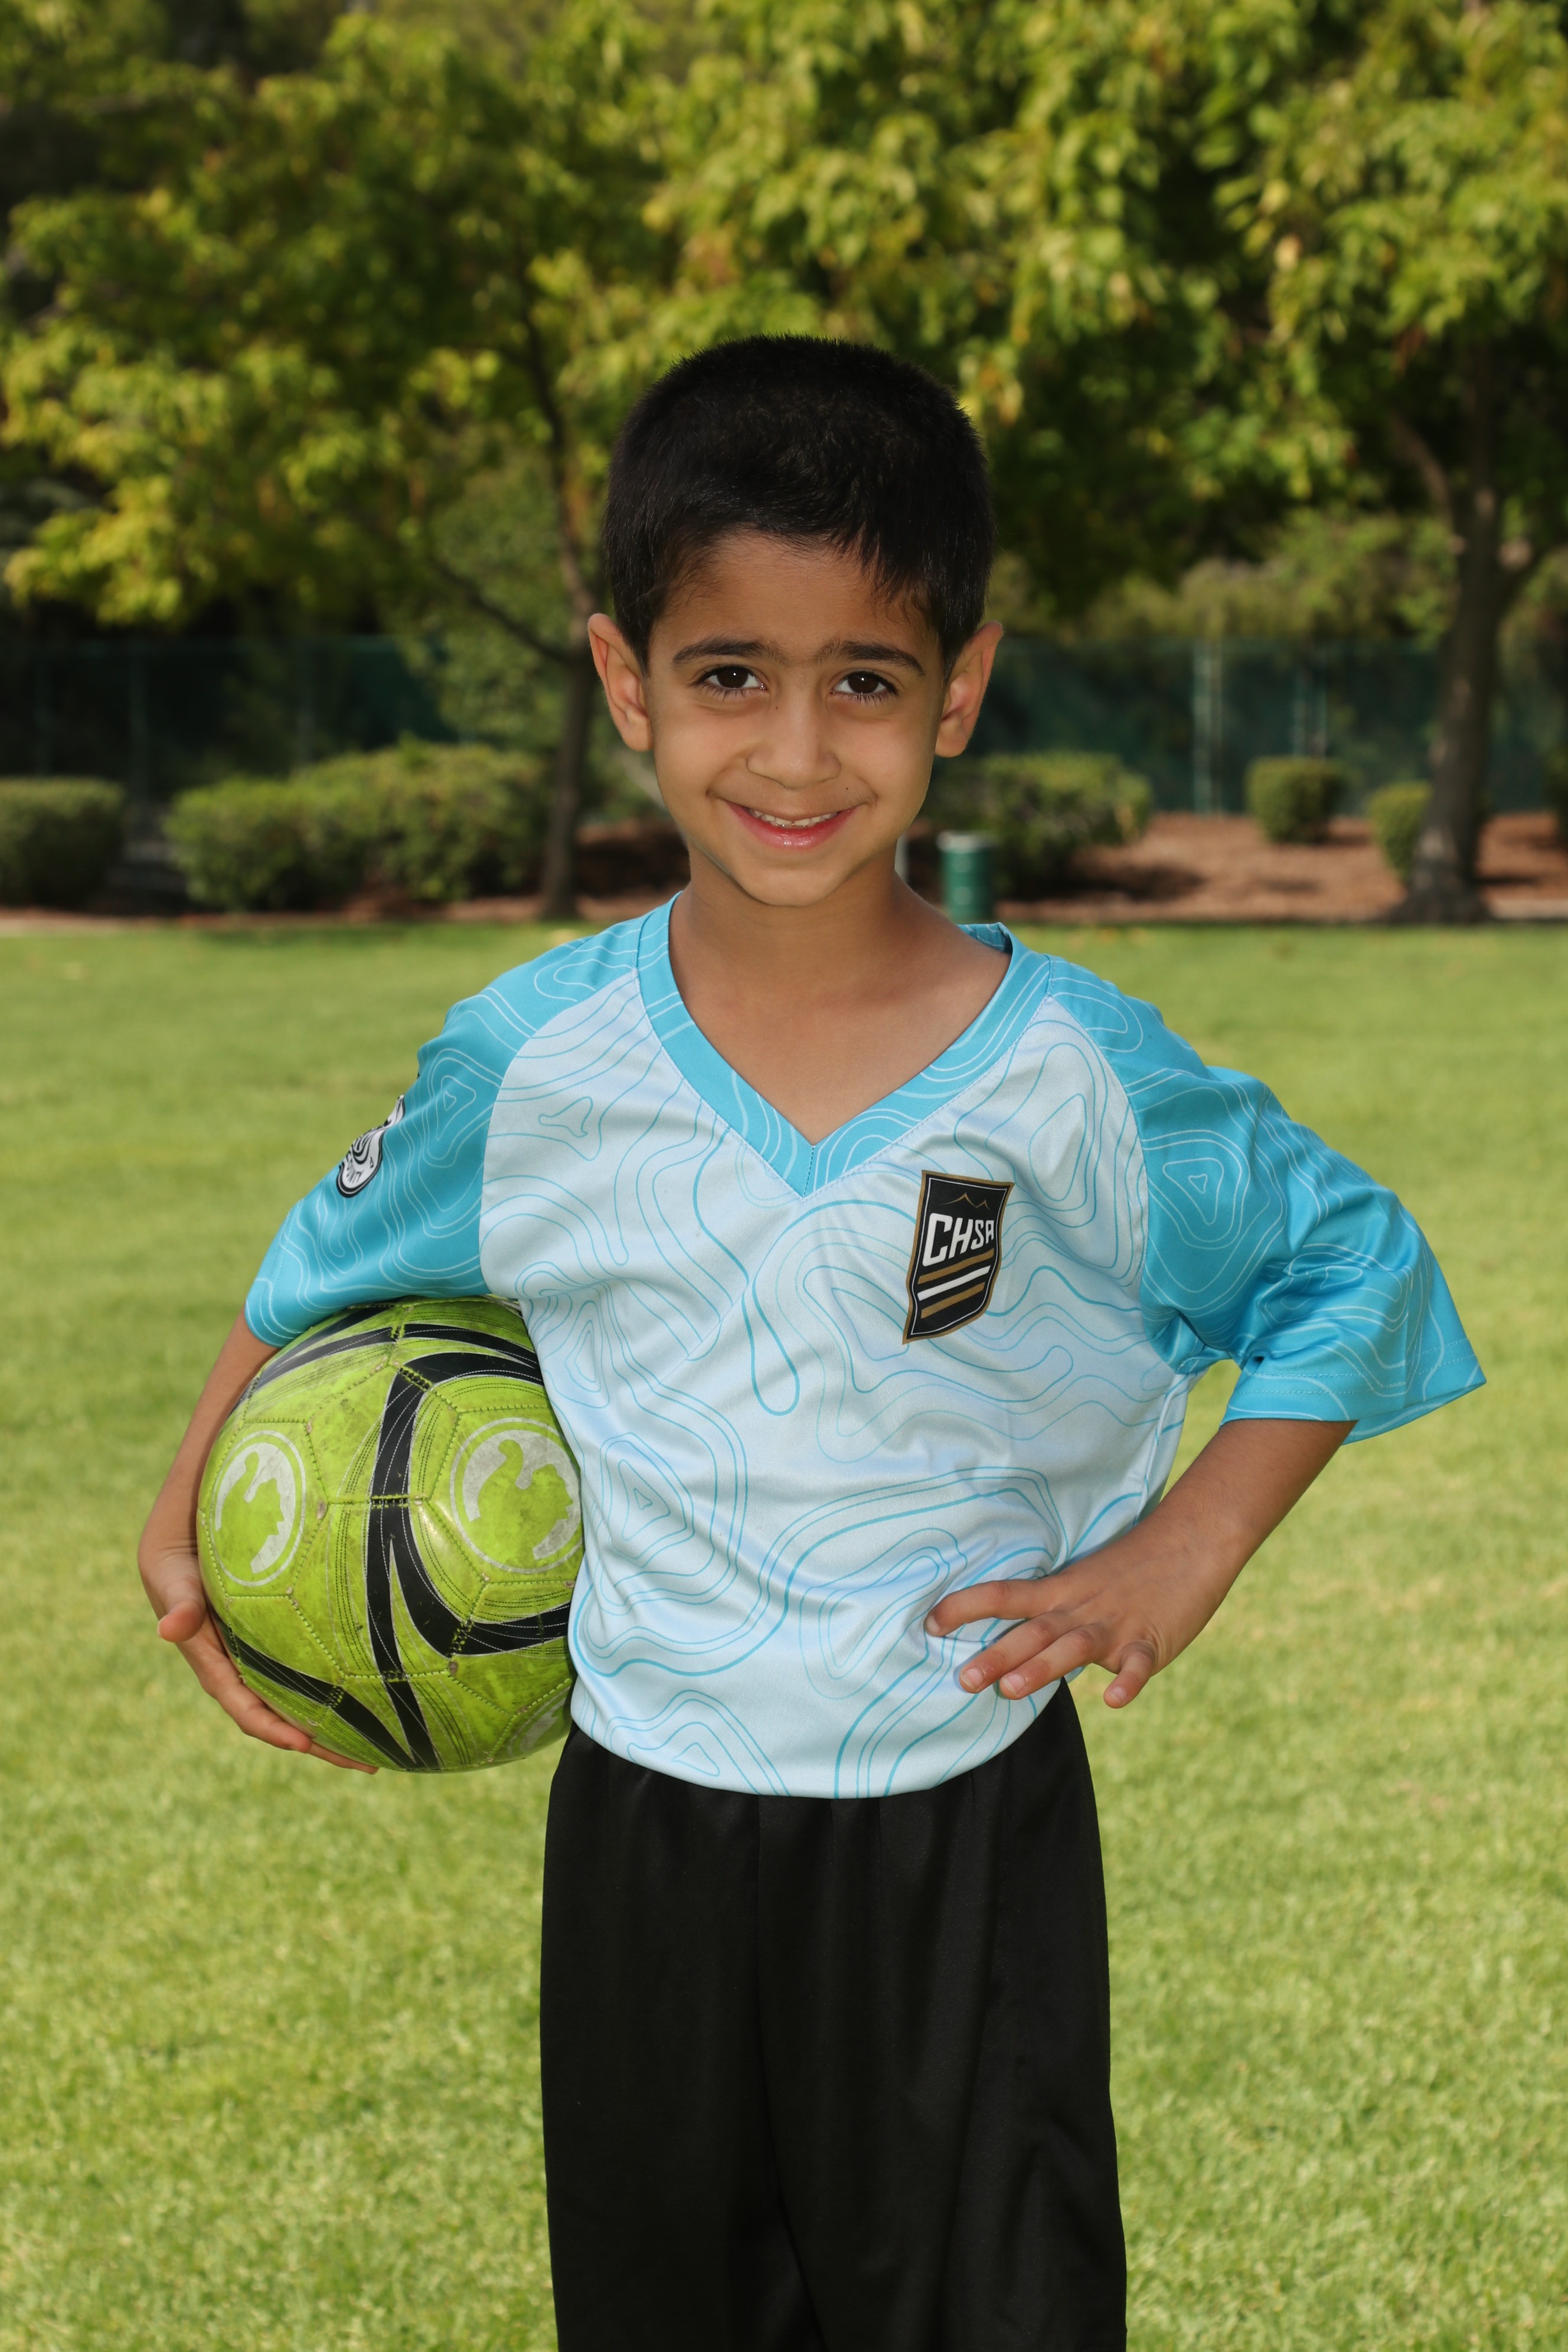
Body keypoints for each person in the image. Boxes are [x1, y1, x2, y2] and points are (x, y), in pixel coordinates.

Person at [139, 337, 1483, 2352]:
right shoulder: (538, 1063)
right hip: (644, 1831)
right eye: (728, 676)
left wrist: (1185, 1548)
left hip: (963, 1825)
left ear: (960, 689)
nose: (794, 752)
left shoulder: (1075, 1075)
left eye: (863, 679)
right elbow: (318, 1269)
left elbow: (1352, 1266)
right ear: (626, 685)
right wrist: (189, 1512)